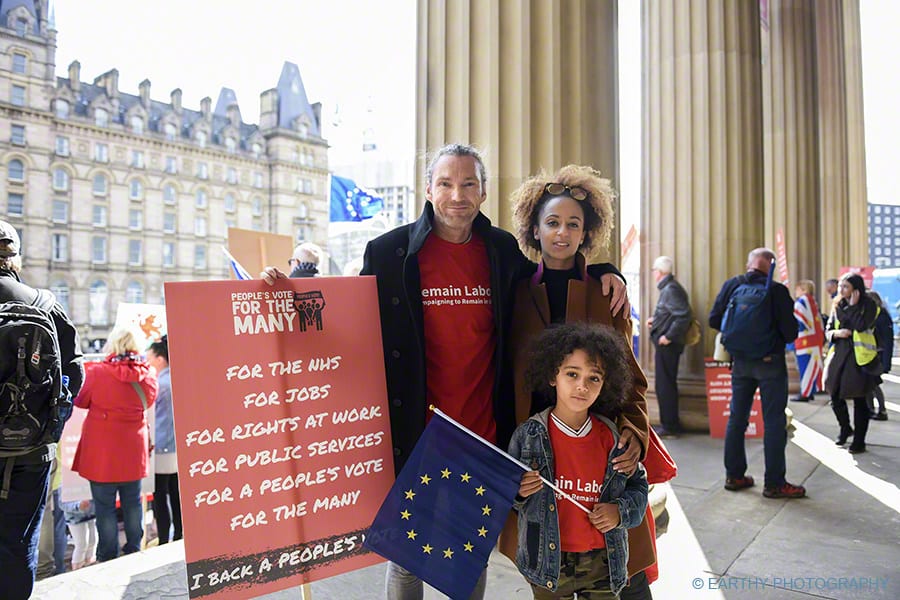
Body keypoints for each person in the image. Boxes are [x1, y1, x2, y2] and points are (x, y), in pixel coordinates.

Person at [505, 165, 655, 598]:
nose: (562, 233)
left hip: (599, 445)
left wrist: (635, 432)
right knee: (548, 557)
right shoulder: (514, 290)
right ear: (534, 228)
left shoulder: (606, 290)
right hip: (540, 447)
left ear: (587, 232)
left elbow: (631, 378)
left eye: (574, 224)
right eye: (552, 222)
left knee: (624, 568)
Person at [508, 323, 649, 598]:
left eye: (593, 378)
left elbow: (638, 487)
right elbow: (507, 491)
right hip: (546, 563)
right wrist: (519, 491)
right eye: (572, 374)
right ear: (553, 375)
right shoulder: (528, 436)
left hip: (603, 565)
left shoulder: (613, 438)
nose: (582, 386)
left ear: (605, 384)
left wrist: (620, 512)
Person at [0, 220, 84, 599]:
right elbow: (74, 374)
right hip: (32, 450)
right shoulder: (44, 305)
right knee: (20, 544)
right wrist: (50, 426)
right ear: (15, 259)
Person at [709, 248, 804, 499]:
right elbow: (790, 332)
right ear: (770, 266)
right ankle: (774, 483)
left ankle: (734, 476)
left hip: (740, 363)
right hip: (770, 363)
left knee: (737, 419)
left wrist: (741, 336)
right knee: (774, 422)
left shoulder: (733, 285)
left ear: (749, 264)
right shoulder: (777, 291)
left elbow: (714, 319)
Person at [71, 327, 158, 561]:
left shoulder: (97, 373)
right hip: (133, 452)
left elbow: (80, 400)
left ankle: (108, 556)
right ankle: (133, 550)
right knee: (132, 504)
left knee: (105, 507)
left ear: (113, 345)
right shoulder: (148, 375)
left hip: (102, 453)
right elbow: (149, 401)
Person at [823, 274, 880, 454]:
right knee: (834, 394)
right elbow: (828, 330)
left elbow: (861, 326)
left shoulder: (869, 305)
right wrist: (836, 333)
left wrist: (854, 307)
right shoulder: (837, 304)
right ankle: (845, 427)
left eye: (845, 286)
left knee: (859, 399)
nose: (841, 290)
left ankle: (859, 441)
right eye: (840, 286)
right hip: (839, 355)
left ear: (856, 289)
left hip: (860, 358)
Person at [647, 256, 692, 437]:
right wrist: (656, 320)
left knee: (664, 385)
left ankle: (670, 426)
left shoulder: (670, 289)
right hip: (666, 345)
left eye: (653, 270)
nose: (653, 274)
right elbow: (671, 314)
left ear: (659, 272)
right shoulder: (669, 288)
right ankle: (670, 424)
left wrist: (668, 336)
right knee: (665, 384)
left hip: (668, 346)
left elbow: (683, 316)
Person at [148, 335, 182, 544]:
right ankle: (179, 534)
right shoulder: (177, 380)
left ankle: (163, 538)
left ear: (160, 359)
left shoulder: (160, 384)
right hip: (177, 445)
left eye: (150, 357)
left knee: (160, 494)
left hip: (161, 445)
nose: (148, 361)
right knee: (176, 492)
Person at [790, 280, 825, 403]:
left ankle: (805, 393)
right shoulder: (812, 302)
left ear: (803, 289)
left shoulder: (801, 303)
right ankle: (810, 391)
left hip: (805, 340)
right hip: (815, 339)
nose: (796, 292)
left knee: (805, 367)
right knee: (811, 366)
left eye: (797, 289)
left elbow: (798, 323)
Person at [866, 291, 893, 421]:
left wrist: (886, 363)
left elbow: (887, 341)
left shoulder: (881, 317)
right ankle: (870, 409)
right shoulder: (874, 315)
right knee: (869, 384)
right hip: (871, 355)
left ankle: (881, 410)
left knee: (873, 384)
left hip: (877, 356)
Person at [62, 498, 97, 569]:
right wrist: (77, 506)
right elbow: (62, 503)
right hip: (75, 517)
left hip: (91, 513)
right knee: (82, 545)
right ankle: (77, 568)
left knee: (93, 542)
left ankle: (90, 564)